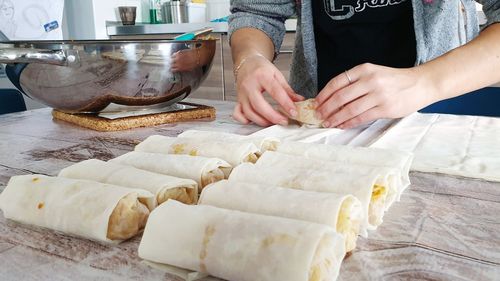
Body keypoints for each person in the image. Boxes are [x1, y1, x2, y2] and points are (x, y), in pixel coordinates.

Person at [228, 0, 500, 128]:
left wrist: (424, 82)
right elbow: (257, 12)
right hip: (323, 126)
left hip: (436, 120)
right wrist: (251, 57)